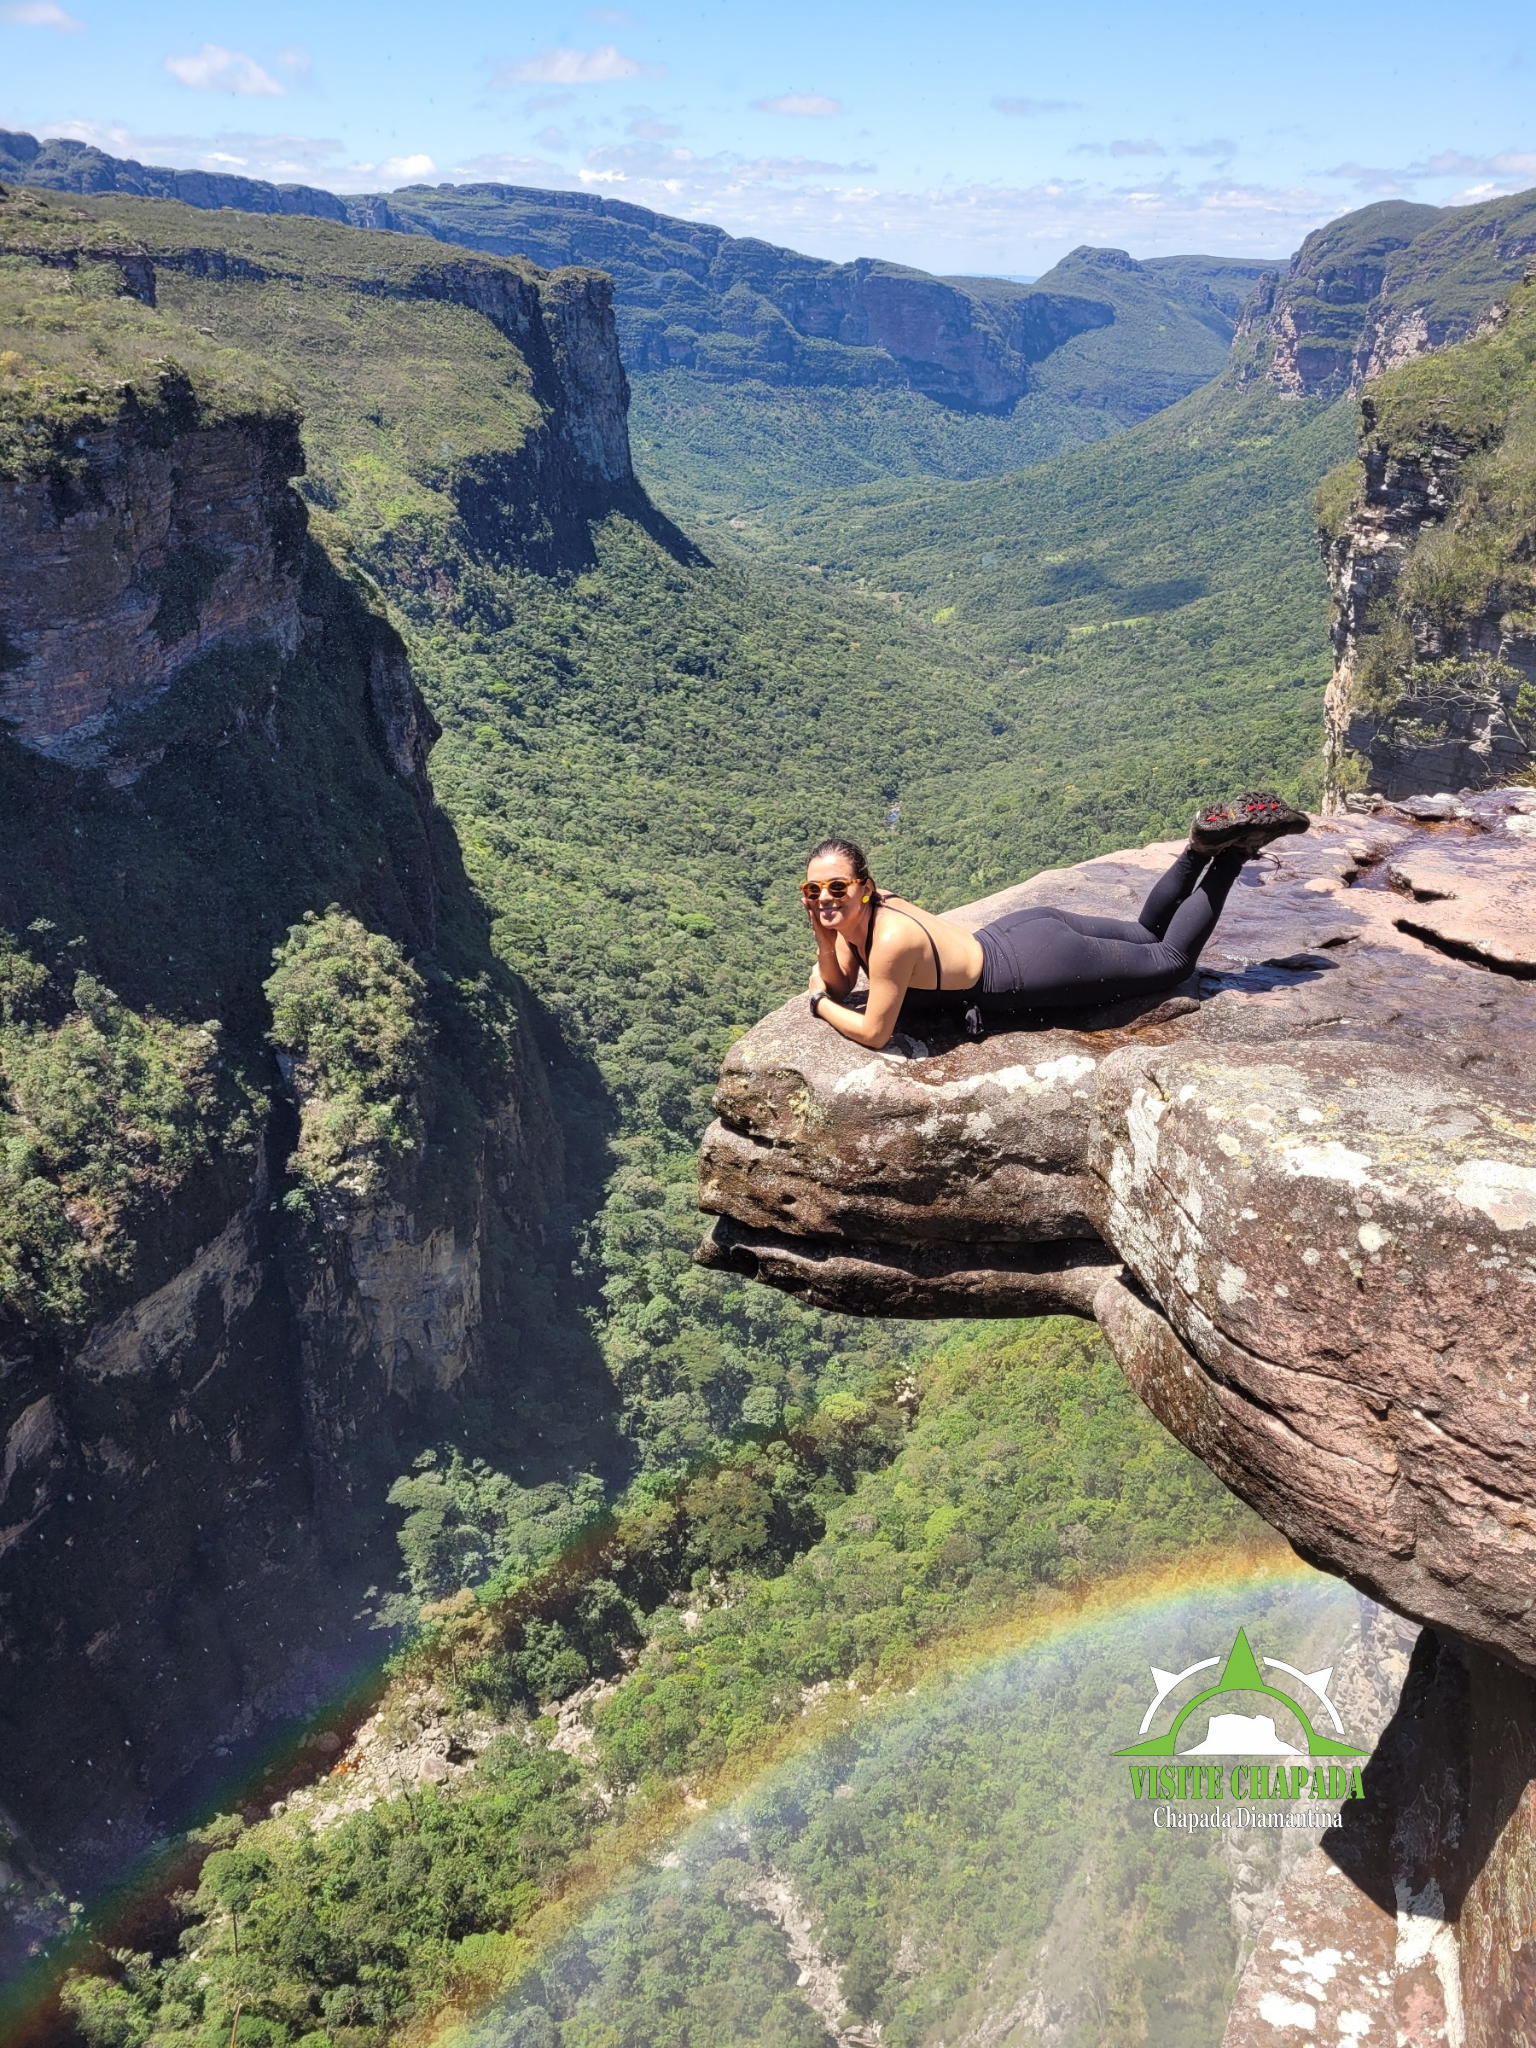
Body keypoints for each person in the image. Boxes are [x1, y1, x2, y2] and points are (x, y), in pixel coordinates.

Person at [802, 793, 1309, 1049]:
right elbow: (842, 978)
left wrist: (820, 1006)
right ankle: (1199, 848)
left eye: (837, 887)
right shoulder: (867, 914)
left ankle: (1237, 851)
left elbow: (871, 1029)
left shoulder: (888, 940)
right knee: (1144, 932)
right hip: (1022, 929)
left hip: (1028, 968)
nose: (825, 898)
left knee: (1171, 960)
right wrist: (825, 941)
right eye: (814, 890)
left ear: (864, 888)